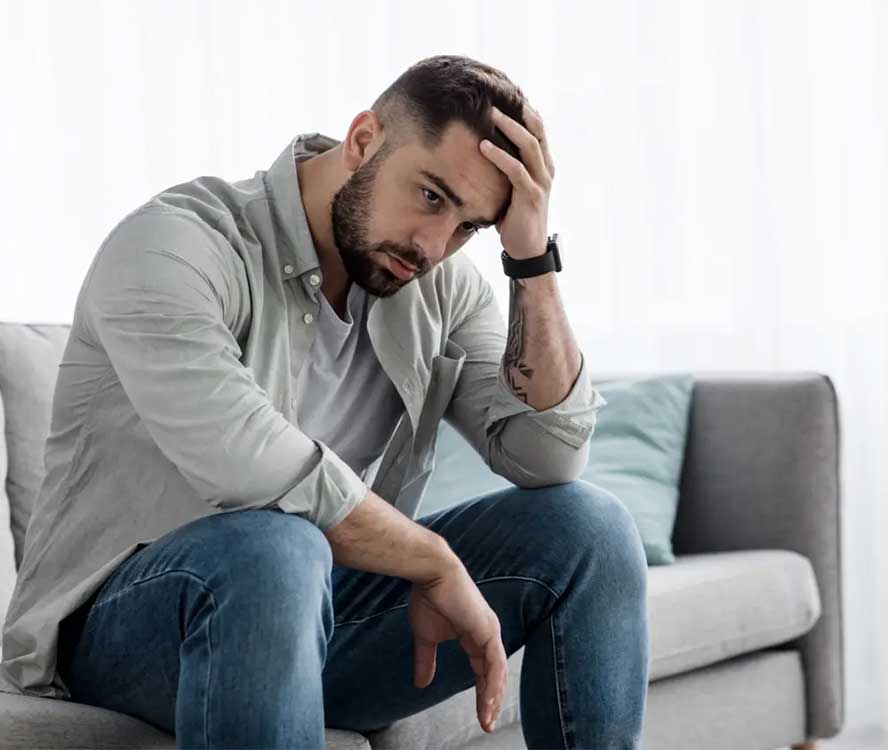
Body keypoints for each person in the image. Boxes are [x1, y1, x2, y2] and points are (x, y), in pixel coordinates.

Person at [0, 54, 649, 749]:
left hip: (317, 614)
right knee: (274, 545)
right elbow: (256, 472)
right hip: (119, 635)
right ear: (364, 139)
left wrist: (529, 261)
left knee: (590, 528)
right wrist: (434, 560)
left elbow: (549, 456)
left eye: (468, 226)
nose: (435, 245)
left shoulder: (438, 286)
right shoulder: (176, 245)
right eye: (431, 195)